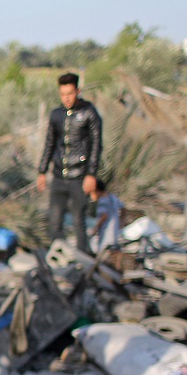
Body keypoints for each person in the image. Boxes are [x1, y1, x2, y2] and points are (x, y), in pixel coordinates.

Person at [37, 72, 102, 255]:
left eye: (70, 93)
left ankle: (83, 256)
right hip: (59, 174)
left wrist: (91, 174)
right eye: (63, 94)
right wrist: (42, 171)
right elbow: (49, 143)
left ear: (78, 91)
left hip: (79, 176)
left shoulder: (89, 113)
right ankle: (58, 257)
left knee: (78, 219)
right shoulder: (56, 114)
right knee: (54, 219)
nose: (66, 98)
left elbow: (97, 145)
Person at [90, 178, 123, 252]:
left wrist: (96, 228)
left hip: (106, 234)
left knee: (102, 252)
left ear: (97, 191)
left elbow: (104, 216)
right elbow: (123, 208)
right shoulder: (113, 197)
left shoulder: (102, 201)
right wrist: (121, 221)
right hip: (115, 232)